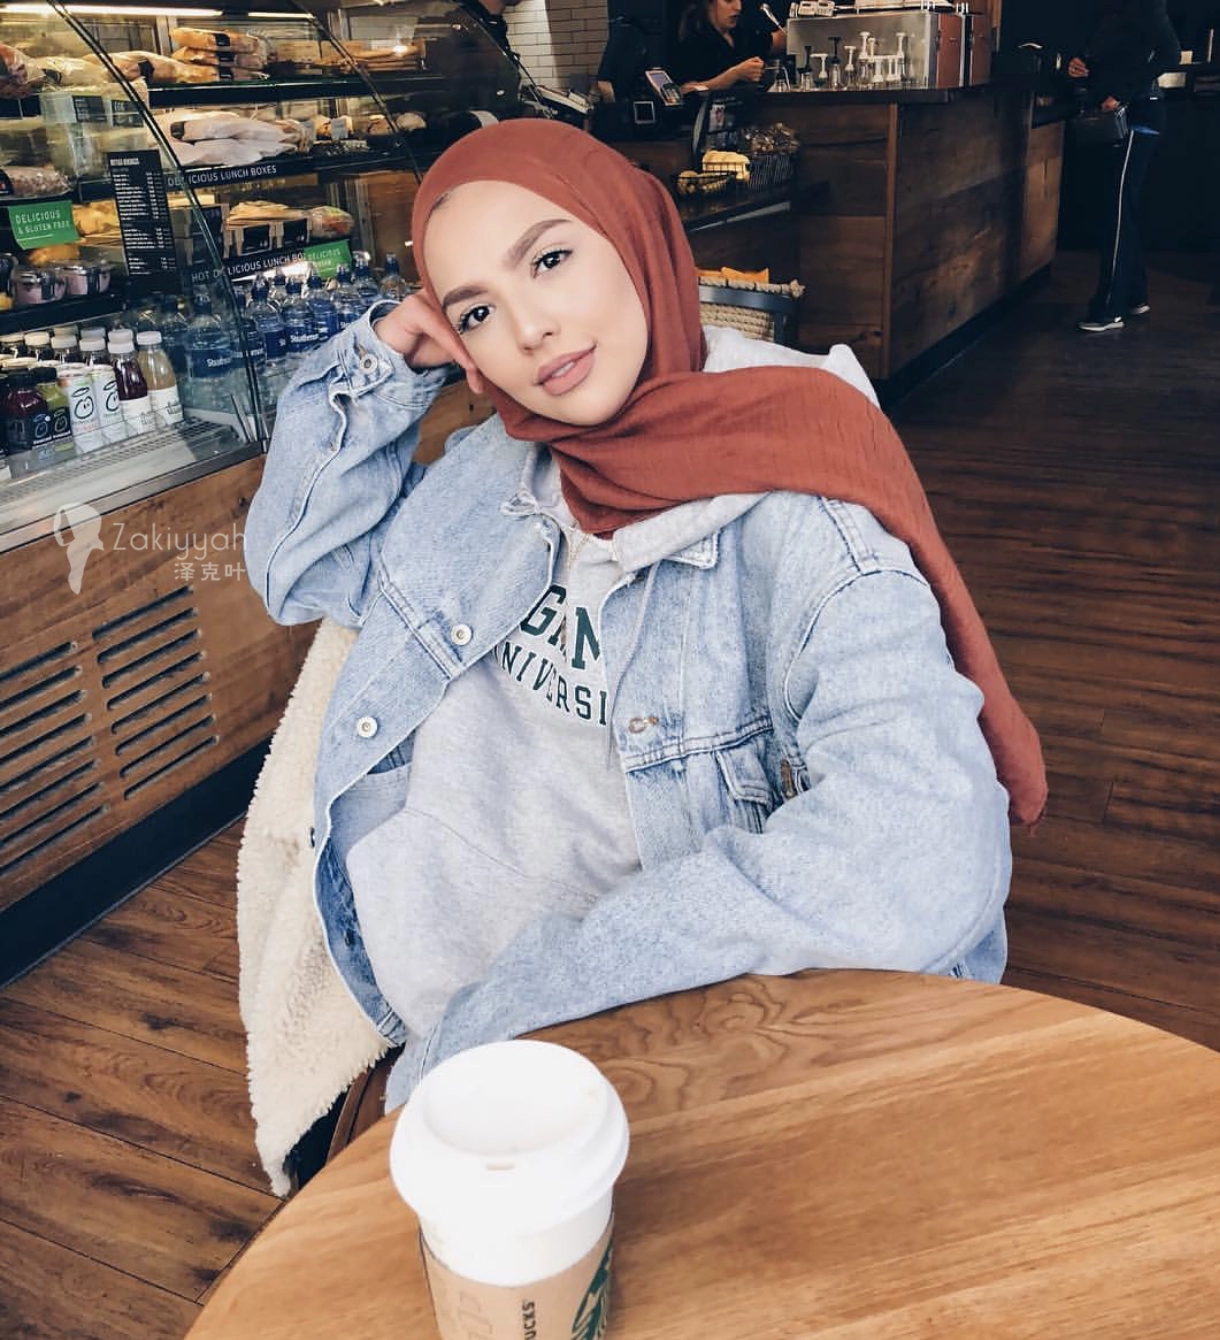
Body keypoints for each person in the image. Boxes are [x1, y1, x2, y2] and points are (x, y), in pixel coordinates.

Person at [241, 119, 1046, 1188]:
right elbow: (296, 565)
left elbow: (927, 840)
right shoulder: (496, 465)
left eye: (549, 259)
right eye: (476, 310)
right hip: (398, 986)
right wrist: (385, 354)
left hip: (613, 1025)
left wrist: (514, 1002)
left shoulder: (799, 502)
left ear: (634, 235)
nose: (528, 329)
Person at [1068, 0, 1181, 332]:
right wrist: (1081, 64)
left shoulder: (1146, 4)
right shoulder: (1106, 9)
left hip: (1138, 114)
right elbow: (1115, 57)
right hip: (1115, 116)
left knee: (1117, 209)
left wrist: (1122, 92)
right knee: (1119, 207)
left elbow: (1170, 54)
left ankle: (1108, 308)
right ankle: (1134, 294)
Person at [672, 0, 774, 92]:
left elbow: (776, 41)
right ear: (709, 4)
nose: (738, 7)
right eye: (728, 1)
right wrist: (734, 75)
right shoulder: (694, 41)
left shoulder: (739, 34)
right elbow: (686, 90)